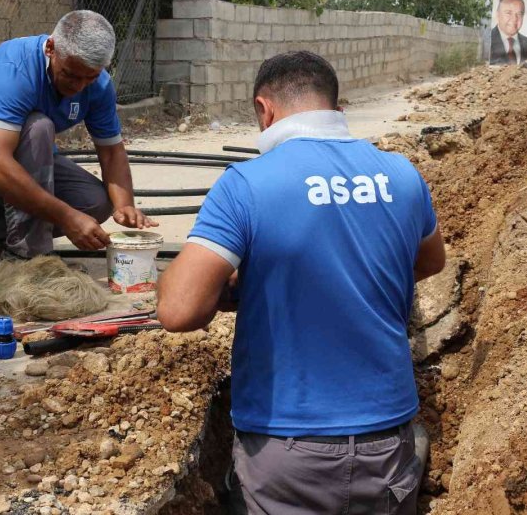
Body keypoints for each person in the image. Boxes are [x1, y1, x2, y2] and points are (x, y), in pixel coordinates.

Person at [157, 51, 446, 514]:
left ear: (264, 110)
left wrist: (254, 283)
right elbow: (430, 261)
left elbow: (178, 310)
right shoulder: (402, 176)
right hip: (387, 445)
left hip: (287, 452)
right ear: (337, 108)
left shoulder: (247, 184)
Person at [0, 10, 155, 263]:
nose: (78, 86)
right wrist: (66, 217)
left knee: (94, 203)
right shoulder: (15, 68)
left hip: (17, 159)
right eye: (71, 74)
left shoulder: (98, 86)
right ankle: (29, 260)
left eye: (89, 77)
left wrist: (124, 206)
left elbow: (111, 151)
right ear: (51, 48)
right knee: (38, 127)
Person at [487, 0, 527, 65]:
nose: (514, 19)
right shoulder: (488, 39)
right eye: (508, 13)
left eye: (519, 14)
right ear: (498, 14)